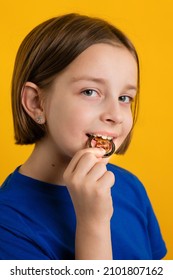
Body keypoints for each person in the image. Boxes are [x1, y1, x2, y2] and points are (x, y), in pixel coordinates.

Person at [0, 13, 167, 260]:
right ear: (36, 103)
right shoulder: (8, 224)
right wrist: (93, 224)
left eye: (124, 98)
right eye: (90, 91)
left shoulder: (131, 188)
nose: (115, 115)